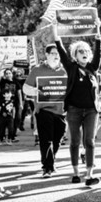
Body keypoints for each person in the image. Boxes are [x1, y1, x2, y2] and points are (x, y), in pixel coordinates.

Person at [53, 20, 101, 186]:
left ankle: (89, 175)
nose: (84, 53)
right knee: (75, 141)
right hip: (74, 110)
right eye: (80, 51)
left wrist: (98, 32)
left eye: (86, 51)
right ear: (75, 55)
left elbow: (99, 52)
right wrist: (55, 29)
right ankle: (75, 173)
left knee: (89, 141)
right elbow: (60, 49)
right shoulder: (71, 67)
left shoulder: (93, 67)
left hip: (91, 110)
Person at [23, 44, 67, 178]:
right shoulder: (37, 70)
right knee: (46, 139)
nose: (56, 56)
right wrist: (35, 91)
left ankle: (50, 161)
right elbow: (25, 88)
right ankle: (47, 167)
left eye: (58, 53)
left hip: (61, 111)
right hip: (43, 110)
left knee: (57, 139)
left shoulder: (65, 71)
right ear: (46, 55)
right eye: (53, 53)